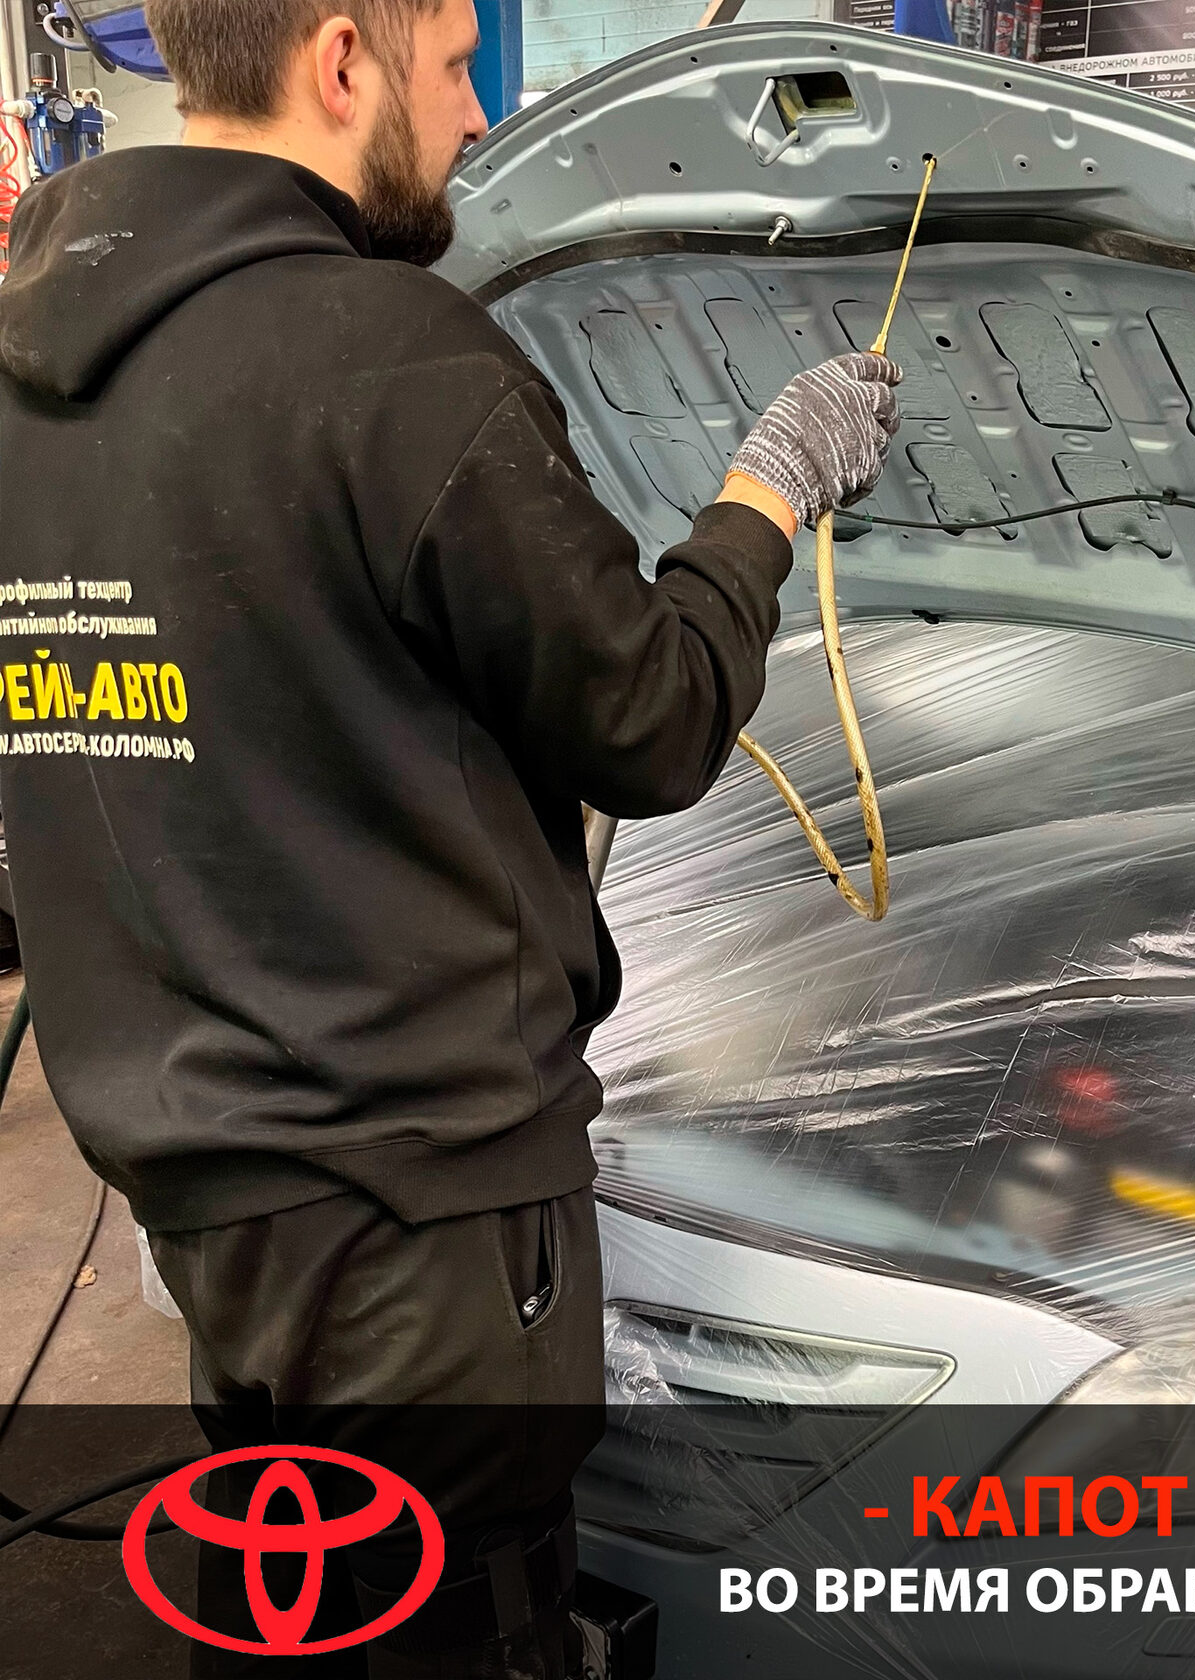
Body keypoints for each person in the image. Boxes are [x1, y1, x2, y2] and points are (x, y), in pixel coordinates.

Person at [0, 0, 900, 1673]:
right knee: (457, 1620)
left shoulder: (25, 375)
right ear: (341, 60)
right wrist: (768, 492)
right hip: (426, 1225)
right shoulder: (392, 356)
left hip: (208, 1201)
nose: (479, 115)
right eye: (452, 63)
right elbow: (651, 719)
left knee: (298, 1583)